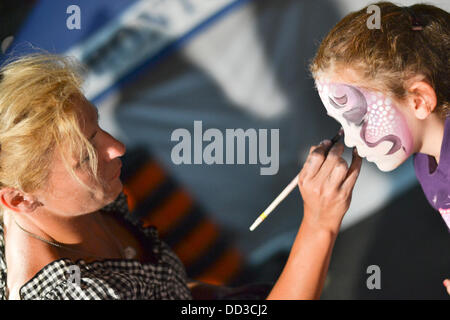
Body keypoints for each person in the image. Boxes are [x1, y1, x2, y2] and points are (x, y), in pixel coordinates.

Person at [0, 52, 362, 300]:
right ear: (19, 198)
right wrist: (319, 221)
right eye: (85, 155)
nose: (117, 148)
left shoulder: (80, 198)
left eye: (97, 126)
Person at [309, 2, 450, 294]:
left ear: (419, 100)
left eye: (357, 118)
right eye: (340, 124)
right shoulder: (427, 163)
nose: (348, 140)